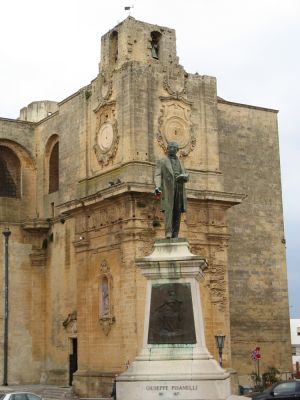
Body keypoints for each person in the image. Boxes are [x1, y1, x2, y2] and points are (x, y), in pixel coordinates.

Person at [154, 141, 189, 238]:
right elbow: (157, 175)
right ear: (167, 149)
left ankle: (175, 233)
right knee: (169, 211)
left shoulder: (181, 162)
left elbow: (186, 174)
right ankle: (168, 232)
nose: (171, 149)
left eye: (174, 148)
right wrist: (157, 186)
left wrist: (184, 176)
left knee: (178, 211)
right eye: (170, 147)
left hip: (179, 188)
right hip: (168, 189)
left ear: (177, 150)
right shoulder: (162, 161)